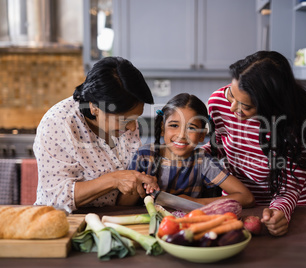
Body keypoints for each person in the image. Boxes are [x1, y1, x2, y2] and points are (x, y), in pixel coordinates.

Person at [203, 51, 306, 236]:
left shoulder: (300, 123)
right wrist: (199, 154)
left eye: (245, 106)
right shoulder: (218, 102)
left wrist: (280, 212)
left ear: (271, 105)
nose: (232, 107)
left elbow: (291, 184)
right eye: (232, 94)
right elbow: (220, 146)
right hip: (240, 205)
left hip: (290, 210)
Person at [33, 56, 159, 213]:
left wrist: (138, 182)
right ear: (94, 108)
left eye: (136, 118)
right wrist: (113, 179)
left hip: (112, 216)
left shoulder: (124, 120)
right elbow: (55, 198)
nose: (133, 128)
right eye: (125, 120)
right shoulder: (58, 123)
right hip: (66, 221)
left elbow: (124, 193)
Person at [128, 93, 255, 208]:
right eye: (174, 125)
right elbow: (123, 203)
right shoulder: (144, 155)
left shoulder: (203, 161)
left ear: (201, 135)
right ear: (162, 128)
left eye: (192, 128)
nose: (182, 135)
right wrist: (138, 182)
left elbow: (247, 198)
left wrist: (192, 202)